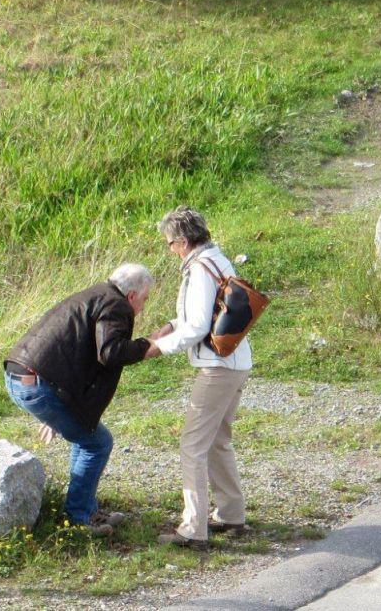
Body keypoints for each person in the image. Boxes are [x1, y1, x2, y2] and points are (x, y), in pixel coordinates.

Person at [4, 263, 155, 537]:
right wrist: (150, 346)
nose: (143, 307)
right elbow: (110, 353)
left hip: (21, 374)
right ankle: (79, 519)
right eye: (144, 299)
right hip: (39, 383)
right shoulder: (116, 306)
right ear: (132, 295)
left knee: (86, 435)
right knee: (98, 443)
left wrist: (57, 406)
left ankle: (84, 508)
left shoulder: (96, 294)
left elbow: (76, 350)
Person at [146, 206, 252, 550]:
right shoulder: (218, 260)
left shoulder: (199, 268)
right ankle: (232, 515)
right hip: (237, 361)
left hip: (217, 367)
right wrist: (171, 326)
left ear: (184, 240)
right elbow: (214, 313)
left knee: (193, 445)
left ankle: (193, 529)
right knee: (219, 438)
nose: (170, 250)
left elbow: (198, 326)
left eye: (170, 243)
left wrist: (159, 347)